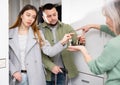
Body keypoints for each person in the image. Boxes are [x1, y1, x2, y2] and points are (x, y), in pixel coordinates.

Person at [9, 4, 73, 85]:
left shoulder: (38, 33)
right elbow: (4, 57)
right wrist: (13, 71)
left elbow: (49, 51)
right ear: (21, 15)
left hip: (35, 76)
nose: (30, 19)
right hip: (17, 76)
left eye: (33, 17)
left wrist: (62, 42)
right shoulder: (9, 33)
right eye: (28, 15)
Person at [68, 0, 120, 85]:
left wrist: (83, 49)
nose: (106, 21)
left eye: (108, 17)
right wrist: (91, 25)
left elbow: (96, 68)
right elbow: (112, 30)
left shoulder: (114, 44)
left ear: (117, 18)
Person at [38, 3, 79, 85]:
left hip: (63, 72)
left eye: (54, 14)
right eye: (49, 16)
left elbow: (76, 42)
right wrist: (51, 66)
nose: (53, 18)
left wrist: (81, 41)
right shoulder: (38, 30)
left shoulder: (67, 27)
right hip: (47, 73)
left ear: (57, 13)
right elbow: (39, 53)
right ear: (43, 17)